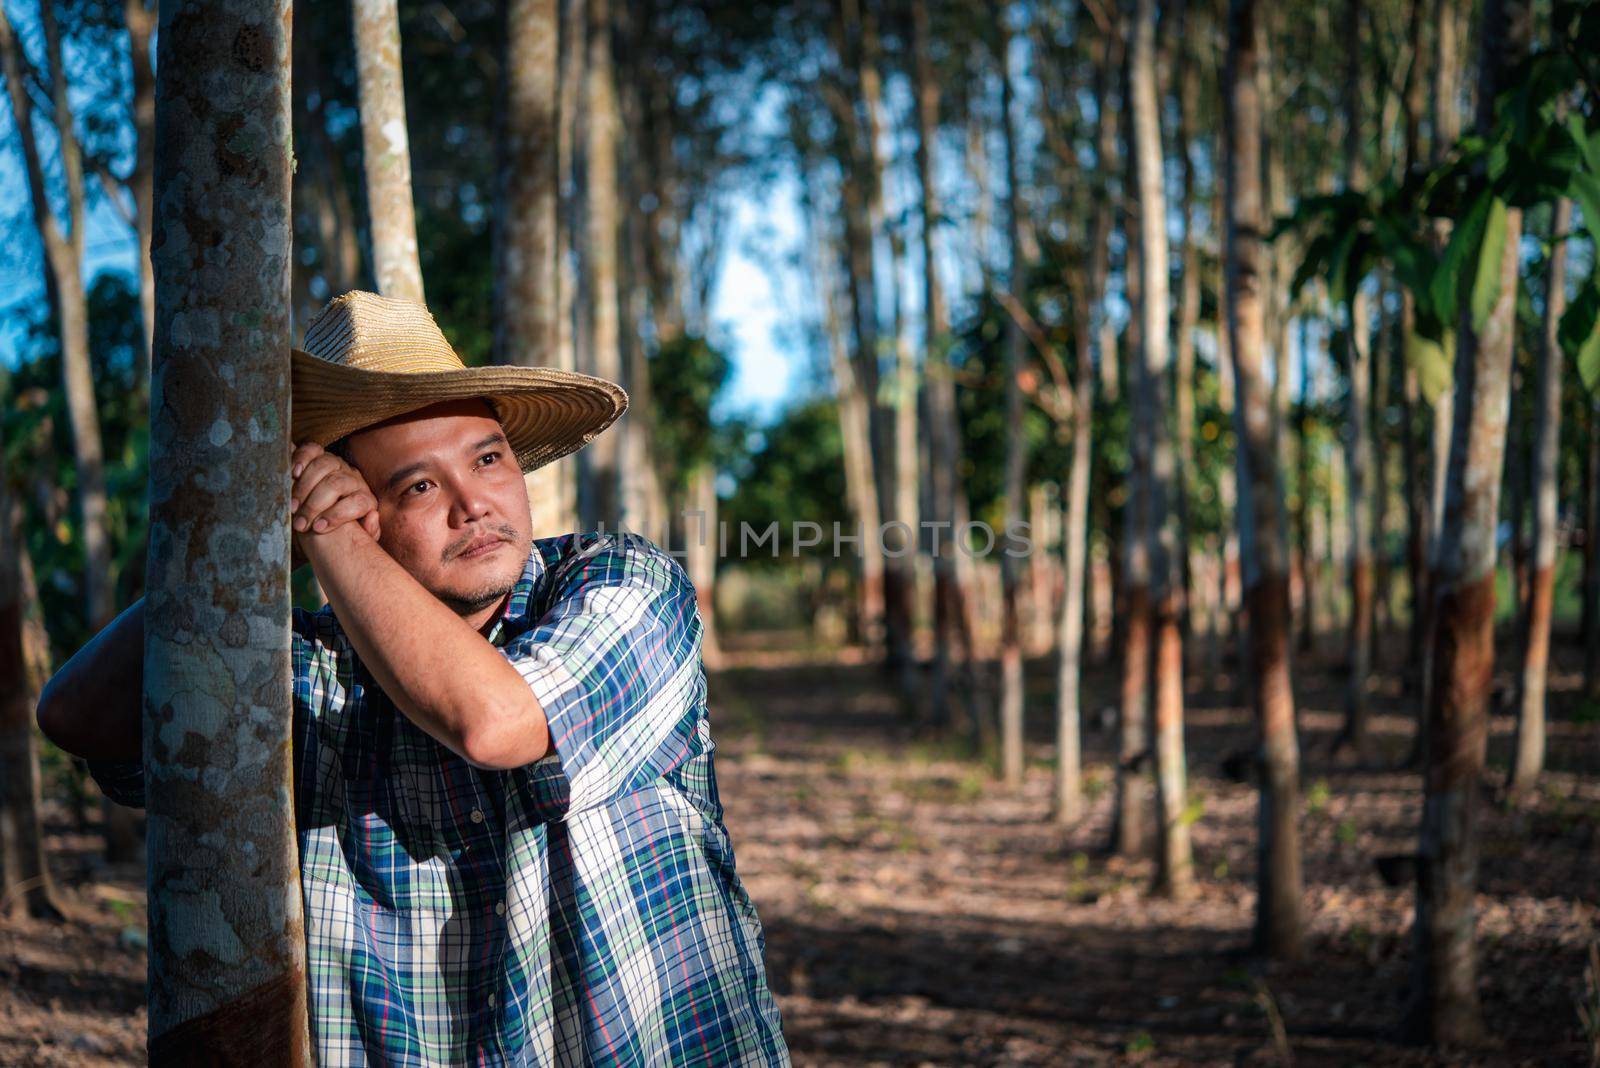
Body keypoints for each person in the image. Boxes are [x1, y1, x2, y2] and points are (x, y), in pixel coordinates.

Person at [37, 291, 789, 1066]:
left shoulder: (623, 584)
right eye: (419, 486)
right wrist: (269, 535)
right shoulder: (314, 673)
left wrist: (326, 530)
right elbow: (75, 718)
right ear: (362, 511)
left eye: (488, 458)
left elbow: (494, 723)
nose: (474, 505)